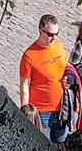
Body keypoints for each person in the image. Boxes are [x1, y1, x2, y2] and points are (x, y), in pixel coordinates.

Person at [19, 14, 70, 143]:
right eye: (50, 34)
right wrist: (25, 110)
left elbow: (65, 66)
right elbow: (24, 85)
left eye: (56, 33)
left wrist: (67, 78)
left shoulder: (58, 45)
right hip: (41, 112)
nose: (54, 38)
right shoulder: (29, 55)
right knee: (42, 147)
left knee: (62, 145)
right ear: (40, 31)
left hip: (61, 109)